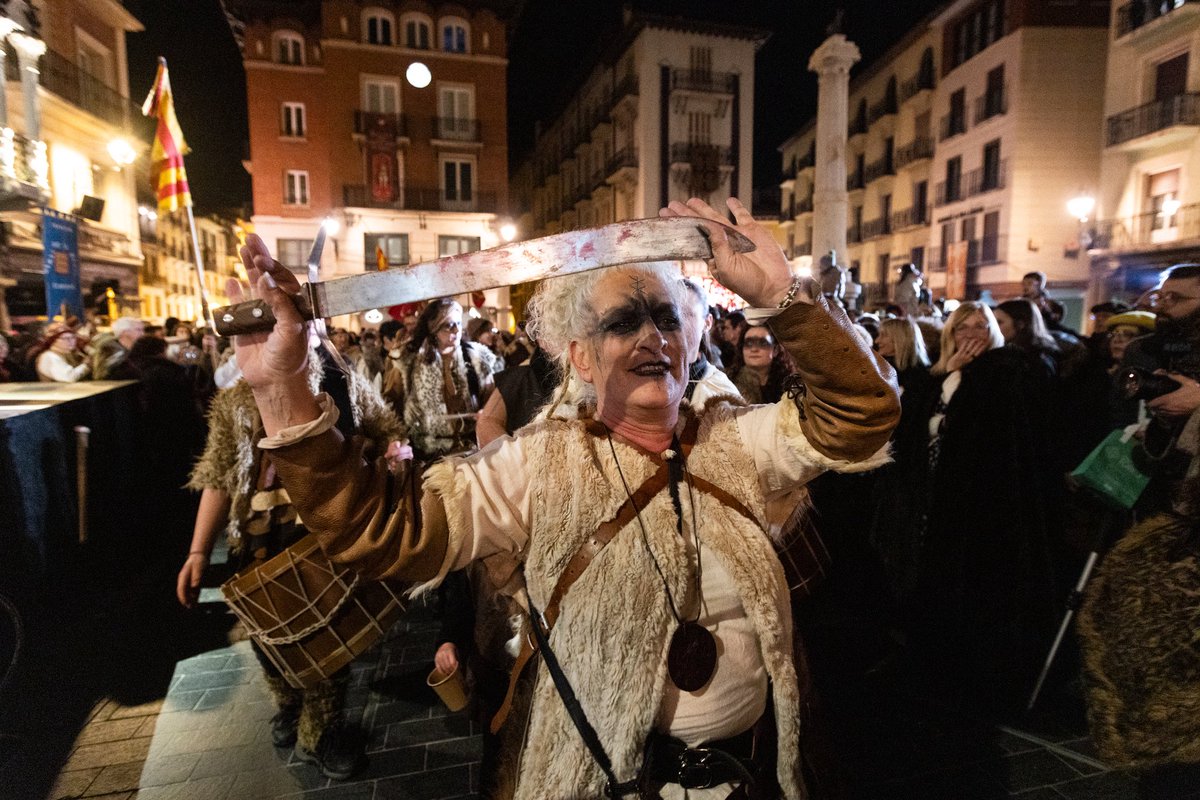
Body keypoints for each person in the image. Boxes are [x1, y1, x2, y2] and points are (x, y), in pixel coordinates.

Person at [227, 195, 900, 799]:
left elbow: (862, 416)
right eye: (624, 322)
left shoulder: (742, 439)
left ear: (690, 338)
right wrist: (281, 388)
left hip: (755, 776)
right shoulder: (534, 466)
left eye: (666, 317)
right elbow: (383, 530)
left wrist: (782, 297)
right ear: (579, 357)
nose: (651, 337)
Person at [178, 348, 406, 781]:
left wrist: (391, 460)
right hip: (258, 540)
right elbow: (219, 477)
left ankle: (321, 731)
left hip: (322, 532)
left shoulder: (340, 385)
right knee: (267, 636)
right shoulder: (234, 403)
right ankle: (289, 705)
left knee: (326, 634)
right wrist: (198, 552)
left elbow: (387, 430)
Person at [888, 302, 1060, 717]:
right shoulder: (936, 378)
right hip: (931, 496)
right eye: (963, 326)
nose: (973, 333)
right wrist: (946, 375)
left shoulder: (1008, 371)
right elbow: (910, 429)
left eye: (982, 326)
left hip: (982, 505)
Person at [394, 299, 497, 458]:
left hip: (472, 450)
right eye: (448, 325)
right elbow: (394, 404)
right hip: (427, 451)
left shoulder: (476, 358)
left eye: (458, 323)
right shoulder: (409, 361)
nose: (456, 330)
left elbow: (492, 398)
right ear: (433, 328)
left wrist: (487, 412)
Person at [680, 277, 740, 409]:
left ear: (707, 322)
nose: (677, 322)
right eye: (669, 314)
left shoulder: (721, 392)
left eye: (686, 314)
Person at [728, 324, 794, 404]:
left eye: (762, 343)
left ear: (775, 350)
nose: (754, 349)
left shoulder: (790, 384)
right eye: (748, 343)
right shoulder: (729, 384)